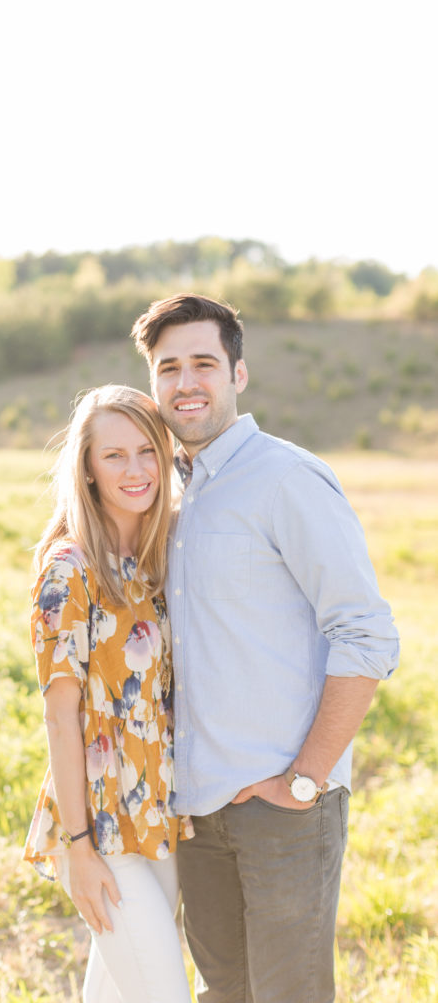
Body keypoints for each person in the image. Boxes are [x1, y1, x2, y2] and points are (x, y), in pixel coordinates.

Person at [131, 294, 400, 1003]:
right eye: (168, 368)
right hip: (193, 807)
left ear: (238, 374)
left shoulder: (284, 478)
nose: (185, 382)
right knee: (223, 991)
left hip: (281, 804)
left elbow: (365, 633)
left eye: (203, 364)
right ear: (152, 384)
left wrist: (303, 781)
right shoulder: (171, 495)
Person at [23, 384, 194, 1003]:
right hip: (100, 825)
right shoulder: (69, 570)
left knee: (119, 991)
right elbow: (61, 722)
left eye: (147, 451)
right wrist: (79, 851)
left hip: (160, 810)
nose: (135, 470)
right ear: (88, 469)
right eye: (114, 456)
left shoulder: (160, 558)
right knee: (164, 993)